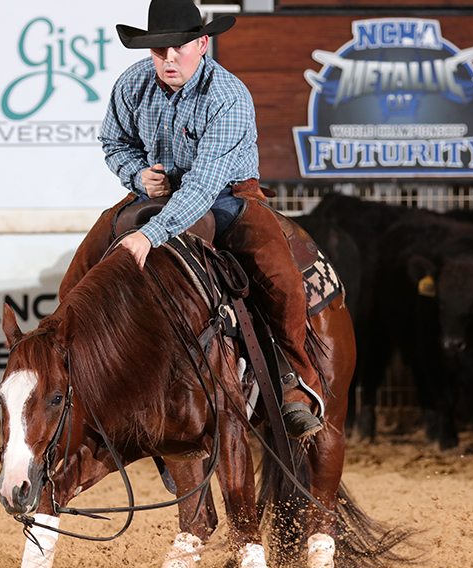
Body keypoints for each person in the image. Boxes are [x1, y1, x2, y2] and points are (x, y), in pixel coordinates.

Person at [60, 0, 326, 439]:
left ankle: (296, 381)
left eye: (178, 47)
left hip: (228, 195)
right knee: (79, 275)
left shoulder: (228, 96)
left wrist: (151, 235)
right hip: (156, 195)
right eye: (158, 50)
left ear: (202, 43)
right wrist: (137, 174)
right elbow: (114, 142)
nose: (168, 59)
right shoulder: (132, 84)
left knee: (278, 273)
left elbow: (204, 186)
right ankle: (67, 376)